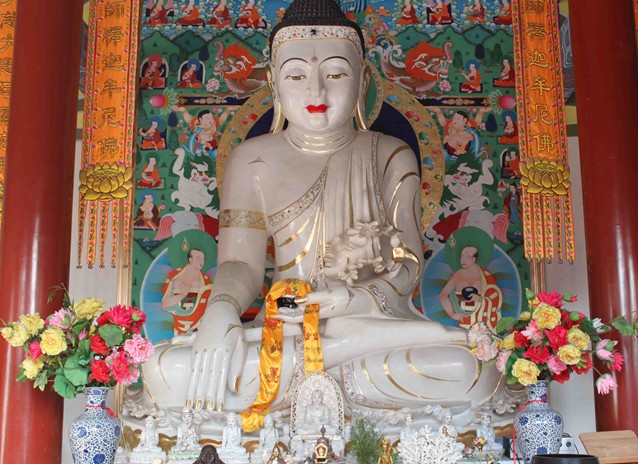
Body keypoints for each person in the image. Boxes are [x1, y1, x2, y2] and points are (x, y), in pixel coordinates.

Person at [143, 0, 498, 426]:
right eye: (296, 76)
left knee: (467, 367)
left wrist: (353, 299)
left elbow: (407, 263)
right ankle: (330, 362)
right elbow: (240, 263)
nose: (316, 92)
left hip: (369, 324)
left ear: (363, 80)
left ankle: (335, 358)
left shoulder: (390, 155)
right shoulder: (251, 161)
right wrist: (221, 310)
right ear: (273, 83)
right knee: (166, 370)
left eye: (335, 74)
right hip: (283, 332)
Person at [439, 238, 503, 332]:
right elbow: (443, 295)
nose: (463, 260)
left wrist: (480, 299)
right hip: (463, 320)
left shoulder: (484, 275)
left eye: (467, 257)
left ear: (474, 259)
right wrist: (452, 315)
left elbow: (495, 295)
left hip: (482, 320)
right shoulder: (459, 274)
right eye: (462, 257)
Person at [162, 248, 213, 335]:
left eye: (203, 258)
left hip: (198, 323)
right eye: (198, 258)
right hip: (179, 322)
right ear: (190, 259)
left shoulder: (206, 281)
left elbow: (209, 304)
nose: (201, 261)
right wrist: (182, 295)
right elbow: (165, 304)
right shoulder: (175, 277)